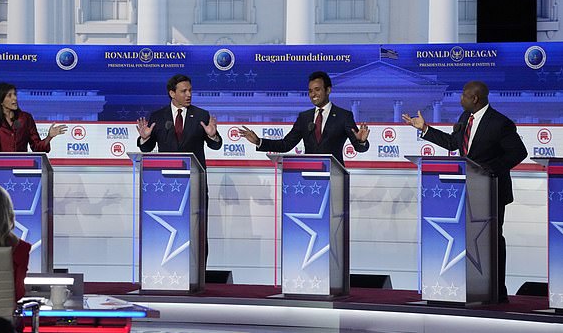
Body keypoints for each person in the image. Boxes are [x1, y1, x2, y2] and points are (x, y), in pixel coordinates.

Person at [402, 80, 527, 303]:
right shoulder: (464, 119)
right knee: (466, 239)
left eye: (463, 95)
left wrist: (489, 170)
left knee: (492, 239)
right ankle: (469, 286)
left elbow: (518, 152)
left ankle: (497, 291)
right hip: (466, 190)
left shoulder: (500, 123)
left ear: (475, 98)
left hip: (492, 190)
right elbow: (452, 143)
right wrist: (424, 129)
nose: (460, 99)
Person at [136, 74, 223, 263]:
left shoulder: (201, 115)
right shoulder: (158, 117)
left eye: (190, 90)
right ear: (172, 93)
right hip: (166, 185)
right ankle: (166, 266)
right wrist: (144, 138)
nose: (189, 94)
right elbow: (146, 148)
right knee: (167, 227)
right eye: (184, 91)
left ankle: (199, 273)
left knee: (197, 229)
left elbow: (216, 145)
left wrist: (213, 136)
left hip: (195, 184)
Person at [238, 71, 370, 164]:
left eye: (317, 89)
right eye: (310, 91)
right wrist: (258, 141)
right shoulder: (304, 117)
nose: (313, 94)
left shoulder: (344, 116)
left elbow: (359, 148)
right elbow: (286, 144)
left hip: (334, 176)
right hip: (308, 174)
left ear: (328, 90)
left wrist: (361, 141)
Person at [0, 82, 67, 152]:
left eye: (15, 94)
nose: (15, 98)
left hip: (23, 165)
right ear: (1, 101)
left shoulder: (25, 118)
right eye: (10, 96)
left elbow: (37, 147)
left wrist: (49, 137)